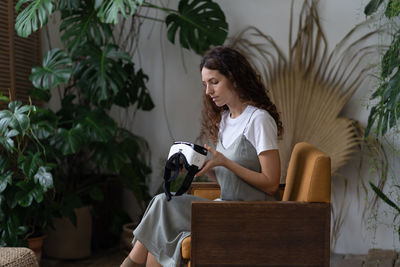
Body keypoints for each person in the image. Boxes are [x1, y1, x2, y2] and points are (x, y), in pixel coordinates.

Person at [121, 46, 283, 267]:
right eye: (205, 84)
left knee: (162, 206)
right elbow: (229, 181)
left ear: (234, 78)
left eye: (214, 82)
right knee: (162, 204)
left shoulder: (259, 120)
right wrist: (200, 168)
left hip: (250, 214)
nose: (208, 91)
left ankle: (128, 264)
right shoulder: (226, 119)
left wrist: (225, 162)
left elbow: (271, 184)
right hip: (225, 208)